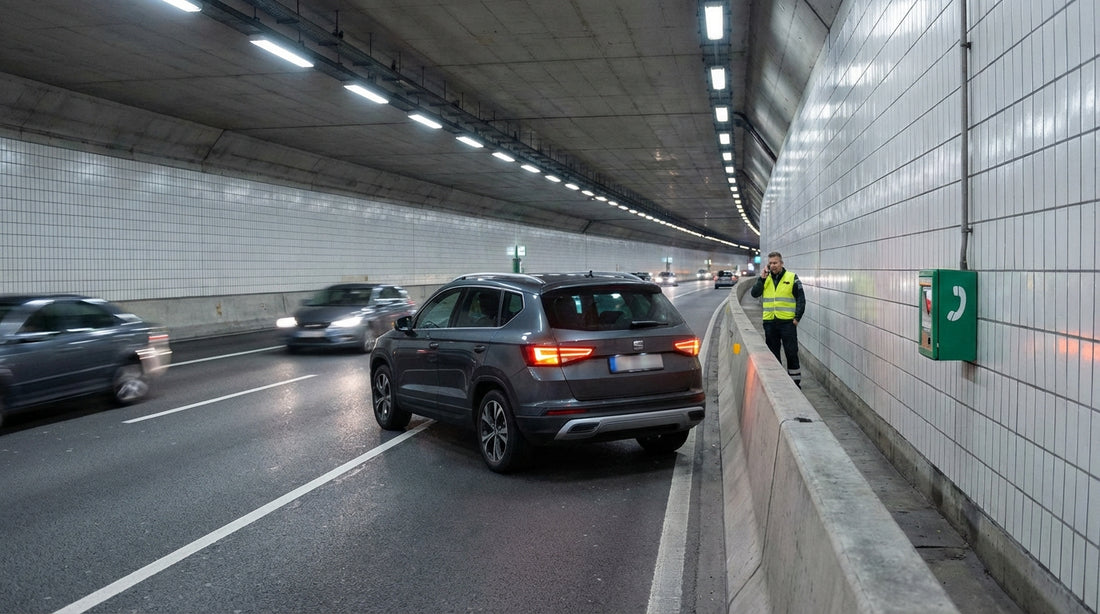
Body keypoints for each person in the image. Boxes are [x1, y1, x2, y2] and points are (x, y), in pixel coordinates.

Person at [750, 251, 805, 387]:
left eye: (775, 263)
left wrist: (797, 318)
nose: (773, 265)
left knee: (791, 352)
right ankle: (778, 382)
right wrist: (761, 279)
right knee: (773, 355)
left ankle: (795, 382)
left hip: (787, 322)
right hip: (770, 323)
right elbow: (754, 293)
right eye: (770, 263)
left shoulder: (792, 277)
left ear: (781, 263)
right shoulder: (765, 278)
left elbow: (801, 299)